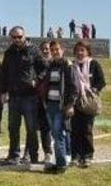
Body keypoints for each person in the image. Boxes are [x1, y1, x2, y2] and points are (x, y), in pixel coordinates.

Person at [1, 26, 45, 164]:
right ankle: (14, 155)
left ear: (24, 36)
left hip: (30, 96)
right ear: (11, 38)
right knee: (13, 128)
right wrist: (4, 91)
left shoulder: (34, 50)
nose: (17, 39)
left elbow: (44, 68)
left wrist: (36, 80)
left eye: (19, 36)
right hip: (14, 96)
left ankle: (33, 156)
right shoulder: (9, 52)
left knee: (31, 128)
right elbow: (4, 73)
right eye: (14, 37)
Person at [70, 41, 105, 168]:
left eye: (82, 50)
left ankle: (87, 156)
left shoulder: (93, 64)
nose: (79, 53)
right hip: (75, 101)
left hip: (88, 101)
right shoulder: (72, 65)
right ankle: (75, 156)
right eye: (77, 50)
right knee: (74, 130)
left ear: (87, 51)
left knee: (86, 130)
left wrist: (93, 90)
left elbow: (101, 81)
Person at [41, 41, 75, 174]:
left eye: (57, 49)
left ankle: (61, 165)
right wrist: (44, 101)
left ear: (63, 50)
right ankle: (59, 162)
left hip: (61, 106)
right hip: (50, 105)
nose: (54, 51)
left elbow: (73, 87)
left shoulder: (67, 65)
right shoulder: (51, 65)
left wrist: (70, 105)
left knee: (57, 133)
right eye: (52, 49)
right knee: (56, 134)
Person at [34, 41, 53, 164]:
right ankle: (43, 153)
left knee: (53, 128)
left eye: (48, 49)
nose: (46, 51)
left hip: (53, 100)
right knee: (39, 128)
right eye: (43, 49)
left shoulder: (57, 63)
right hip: (38, 99)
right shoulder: (36, 64)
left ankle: (53, 153)